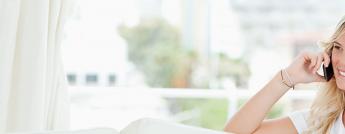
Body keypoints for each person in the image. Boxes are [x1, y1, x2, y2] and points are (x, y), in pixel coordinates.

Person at [224, 16, 345, 134]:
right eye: (338, 47)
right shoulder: (321, 122)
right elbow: (233, 132)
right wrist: (287, 78)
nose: (342, 61)